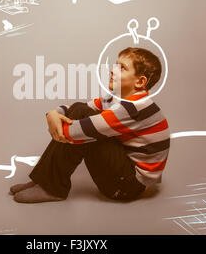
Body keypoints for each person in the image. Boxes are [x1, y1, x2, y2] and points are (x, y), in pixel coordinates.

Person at [10, 47, 170, 203]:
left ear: (140, 82)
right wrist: (54, 113)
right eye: (116, 64)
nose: (113, 70)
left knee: (82, 120)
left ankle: (52, 188)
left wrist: (55, 122)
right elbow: (79, 109)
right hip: (123, 170)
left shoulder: (134, 108)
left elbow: (78, 130)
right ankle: (43, 180)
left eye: (122, 68)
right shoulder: (115, 98)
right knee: (81, 109)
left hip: (126, 186)